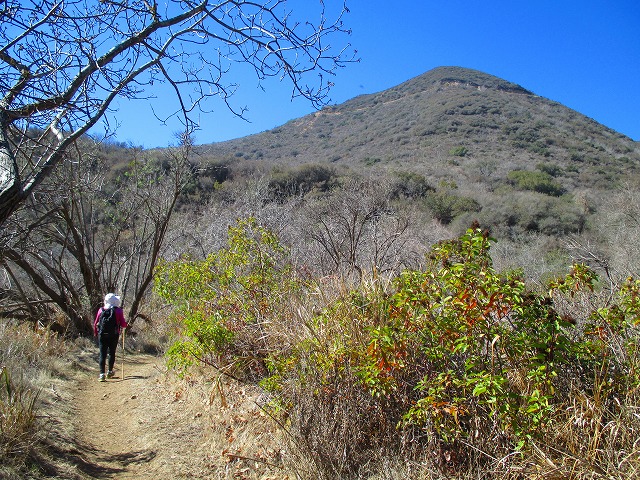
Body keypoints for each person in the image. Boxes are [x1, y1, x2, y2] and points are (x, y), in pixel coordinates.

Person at [94, 293, 128, 382]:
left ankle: (102, 374)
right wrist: (124, 325)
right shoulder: (118, 311)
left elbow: (95, 323)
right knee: (112, 353)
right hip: (114, 335)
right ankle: (109, 372)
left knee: (102, 354)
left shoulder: (101, 310)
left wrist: (96, 333)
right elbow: (123, 324)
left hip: (102, 335)